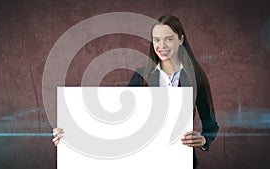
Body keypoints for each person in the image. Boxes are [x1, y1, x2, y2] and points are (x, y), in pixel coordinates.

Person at [52, 14, 219, 169]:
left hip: (179, 161)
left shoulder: (195, 77)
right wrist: (71, 136)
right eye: (157, 40)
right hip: (144, 161)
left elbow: (211, 124)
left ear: (181, 39)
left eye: (169, 39)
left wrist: (204, 140)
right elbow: (119, 119)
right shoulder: (142, 76)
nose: (162, 46)